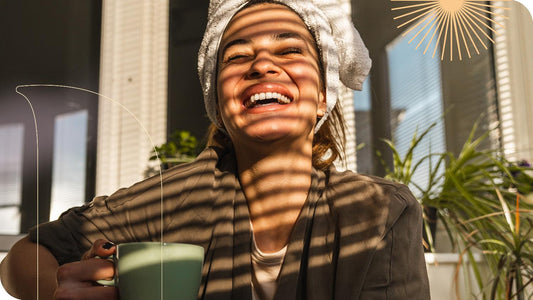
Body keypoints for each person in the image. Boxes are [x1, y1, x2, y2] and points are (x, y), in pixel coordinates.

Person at [0, 0, 431, 299]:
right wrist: (58, 289)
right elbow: (22, 258)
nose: (262, 65)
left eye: (290, 50)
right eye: (237, 56)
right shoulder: (173, 200)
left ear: (324, 94)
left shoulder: (379, 213)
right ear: (218, 105)